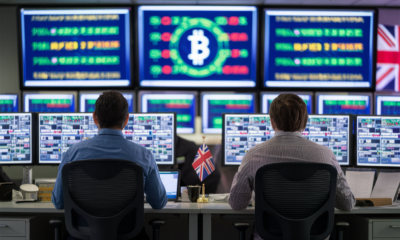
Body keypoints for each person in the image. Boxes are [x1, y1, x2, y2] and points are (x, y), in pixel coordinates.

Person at [229, 93, 355, 240]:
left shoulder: (254, 155)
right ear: (305, 122)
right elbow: (347, 204)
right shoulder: (326, 156)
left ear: (272, 122)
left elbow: (236, 203)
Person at [52, 90, 167, 240]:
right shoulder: (144, 155)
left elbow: (58, 203)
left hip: (82, 235)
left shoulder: (72, 154)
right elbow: (159, 202)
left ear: (95, 118)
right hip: (129, 235)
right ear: (126, 120)